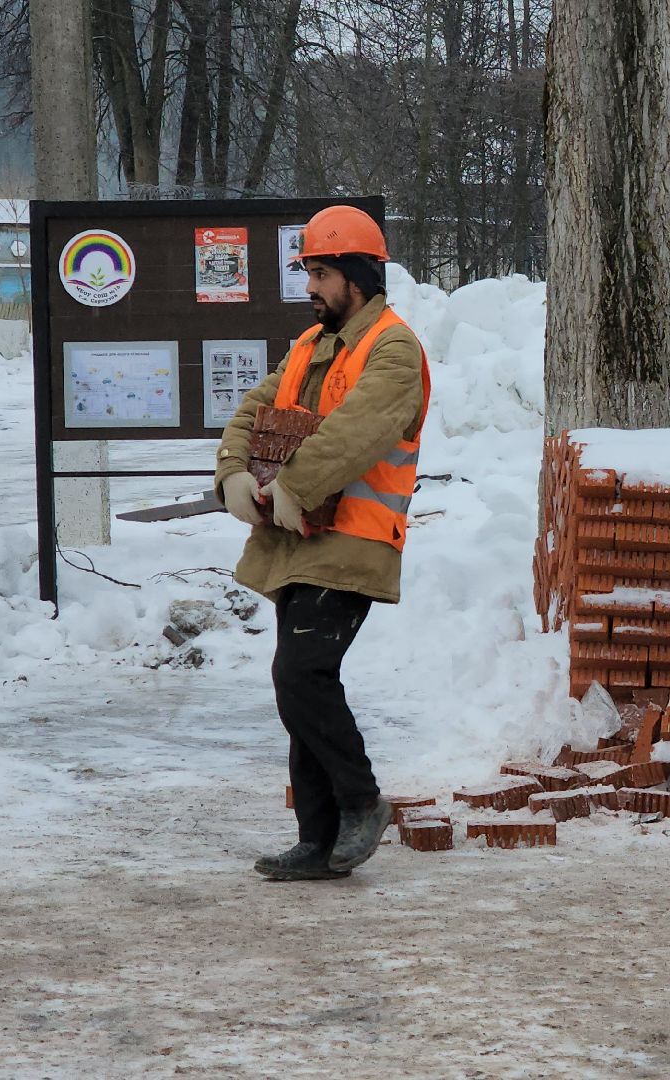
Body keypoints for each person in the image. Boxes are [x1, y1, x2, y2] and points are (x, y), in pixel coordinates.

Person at [215, 205, 431, 880]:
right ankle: (318, 840)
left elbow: (355, 433)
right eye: (307, 272)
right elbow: (256, 408)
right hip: (298, 538)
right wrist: (233, 472)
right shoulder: (310, 344)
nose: (308, 286)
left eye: (320, 273)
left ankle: (362, 801)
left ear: (356, 278)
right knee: (300, 686)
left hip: (353, 540)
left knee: (300, 674)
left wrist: (295, 486)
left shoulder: (393, 348)